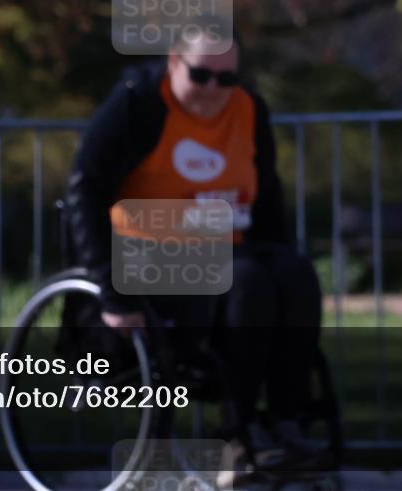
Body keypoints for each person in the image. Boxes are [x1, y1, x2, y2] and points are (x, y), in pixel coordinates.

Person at [66, 29, 324, 487]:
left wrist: (279, 257)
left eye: (227, 78)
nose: (213, 89)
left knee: (295, 274)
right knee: (246, 282)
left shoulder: (247, 109)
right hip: (147, 255)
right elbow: (84, 187)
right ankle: (237, 435)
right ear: (174, 63)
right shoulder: (139, 105)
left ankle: (286, 421)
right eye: (201, 75)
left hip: (224, 244)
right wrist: (109, 290)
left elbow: (266, 199)